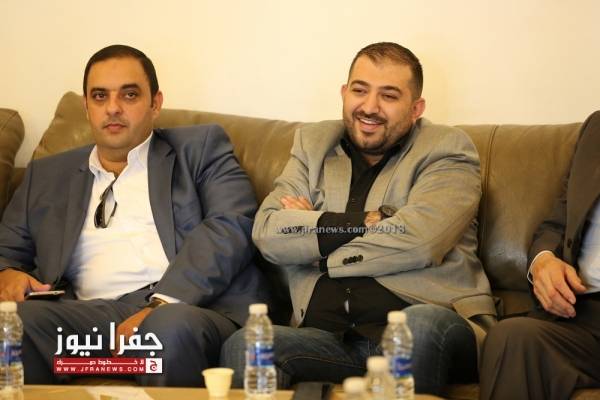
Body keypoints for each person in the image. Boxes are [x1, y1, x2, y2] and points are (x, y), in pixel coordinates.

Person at [220, 42, 497, 395]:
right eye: (360, 90)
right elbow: (268, 233)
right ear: (344, 92)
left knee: (418, 326)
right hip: (327, 337)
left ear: (416, 108)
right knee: (248, 343)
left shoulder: (447, 149)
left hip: (426, 321)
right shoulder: (313, 144)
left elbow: (420, 242)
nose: (369, 107)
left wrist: (315, 242)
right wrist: (365, 221)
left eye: (389, 96)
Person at [0, 44, 267, 386]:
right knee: (11, 325)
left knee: (165, 329)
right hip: (87, 320)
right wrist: (7, 273)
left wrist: (160, 304)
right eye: (100, 96)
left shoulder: (200, 149)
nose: (113, 108)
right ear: (86, 106)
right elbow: (7, 252)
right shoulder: (47, 175)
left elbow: (230, 225)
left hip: (187, 308)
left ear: (155, 103)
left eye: (129, 95)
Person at [479, 111, 600, 400]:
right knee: (511, 337)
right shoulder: (596, 129)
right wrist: (543, 260)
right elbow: (557, 223)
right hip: (579, 310)